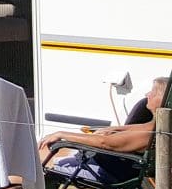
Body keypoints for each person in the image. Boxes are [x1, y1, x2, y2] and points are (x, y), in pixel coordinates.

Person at [39, 76, 169, 183]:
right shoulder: (158, 126)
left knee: (38, 160)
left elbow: (105, 142)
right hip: (105, 163)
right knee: (44, 152)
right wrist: (113, 129)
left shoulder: (148, 133)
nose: (147, 94)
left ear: (162, 100)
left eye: (153, 92)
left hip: (108, 172)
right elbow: (132, 128)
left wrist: (61, 134)